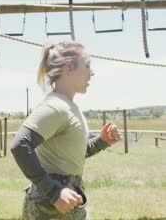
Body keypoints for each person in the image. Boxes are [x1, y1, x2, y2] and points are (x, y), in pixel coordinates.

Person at [11, 41, 122, 219]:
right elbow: (20, 145)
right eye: (87, 65)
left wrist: (102, 141)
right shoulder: (56, 107)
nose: (92, 72)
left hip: (67, 198)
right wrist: (54, 192)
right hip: (52, 205)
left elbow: (71, 154)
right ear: (69, 68)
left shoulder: (70, 107)